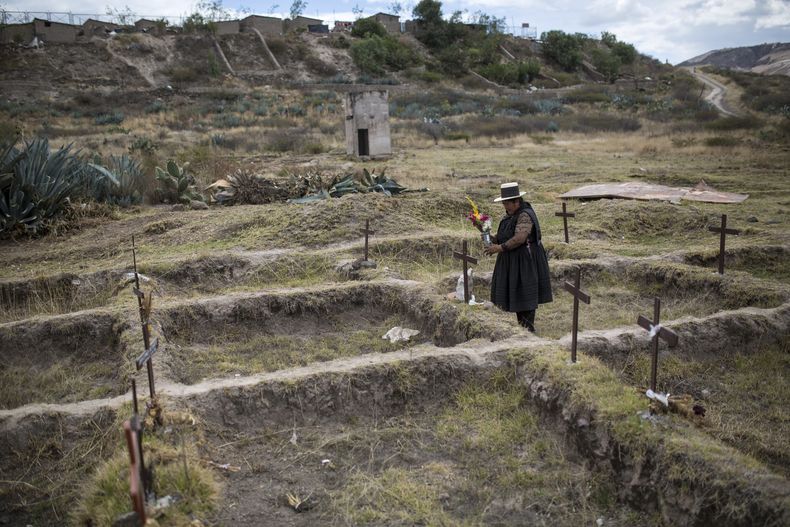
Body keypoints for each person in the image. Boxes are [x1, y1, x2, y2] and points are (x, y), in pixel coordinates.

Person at [482, 182, 552, 332]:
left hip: (525, 262)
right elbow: (502, 238)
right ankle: (523, 329)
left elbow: (520, 238)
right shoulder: (509, 217)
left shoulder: (525, 215)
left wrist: (499, 248)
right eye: (504, 203)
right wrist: (483, 230)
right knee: (518, 296)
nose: (505, 207)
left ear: (516, 201)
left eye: (507, 203)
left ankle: (528, 330)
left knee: (525, 296)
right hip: (513, 261)